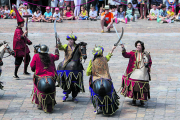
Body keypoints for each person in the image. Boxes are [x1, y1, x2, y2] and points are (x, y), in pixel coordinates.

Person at [86, 45, 120, 115]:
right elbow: (109, 56)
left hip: (96, 78)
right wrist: (112, 49)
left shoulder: (92, 61)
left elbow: (88, 72)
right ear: (101, 53)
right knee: (111, 88)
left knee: (92, 91)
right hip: (106, 77)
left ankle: (96, 107)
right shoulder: (104, 59)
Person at [120, 40, 152, 106]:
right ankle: (134, 99)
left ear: (142, 46)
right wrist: (123, 49)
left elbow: (150, 62)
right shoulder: (133, 53)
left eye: (139, 45)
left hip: (142, 70)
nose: (138, 47)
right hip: (134, 70)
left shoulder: (146, 54)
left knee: (144, 84)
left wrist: (148, 67)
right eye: (137, 45)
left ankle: (142, 100)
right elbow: (126, 55)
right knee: (134, 85)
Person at [57, 34, 85, 103]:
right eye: (69, 40)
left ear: (74, 41)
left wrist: (81, 57)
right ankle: (61, 79)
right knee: (62, 67)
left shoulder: (77, 46)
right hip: (67, 60)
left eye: (72, 40)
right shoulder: (66, 46)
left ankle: (74, 96)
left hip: (75, 62)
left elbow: (81, 53)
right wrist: (59, 42)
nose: (71, 41)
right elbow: (60, 47)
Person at [30, 44, 59, 113]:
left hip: (39, 76)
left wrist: (34, 69)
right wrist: (56, 51)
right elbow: (57, 57)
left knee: (36, 86)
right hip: (51, 75)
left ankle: (39, 103)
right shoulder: (51, 56)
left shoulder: (36, 56)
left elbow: (32, 66)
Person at [13, 6, 32, 79]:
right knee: (19, 60)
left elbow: (24, 38)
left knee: (28, 57)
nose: (23, 24)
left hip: (23, 46)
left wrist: (29, 42)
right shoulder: (17, 30)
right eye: (22, 23)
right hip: (18, 48)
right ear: (19, 24)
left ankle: (25, 71)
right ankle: (15, 74)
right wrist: (24, 34)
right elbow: (19, 38)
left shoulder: (20, 29)